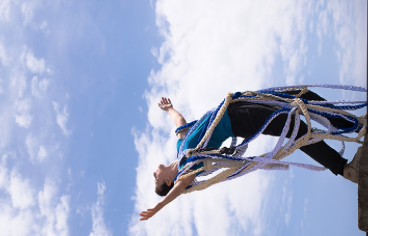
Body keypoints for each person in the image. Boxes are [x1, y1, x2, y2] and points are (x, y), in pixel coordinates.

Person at [140, 90, 364, 221]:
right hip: (239, 120)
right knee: (294, 126)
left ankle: (356, 124)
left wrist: (169, 109)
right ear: (168, 181)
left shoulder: (181, 151)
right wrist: (159, 208)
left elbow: (180, 123)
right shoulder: (188, 170)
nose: (154, 174)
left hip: (237, 104)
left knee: (300, 95)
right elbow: (179, 190)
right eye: (156, 179)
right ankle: (344, 169)